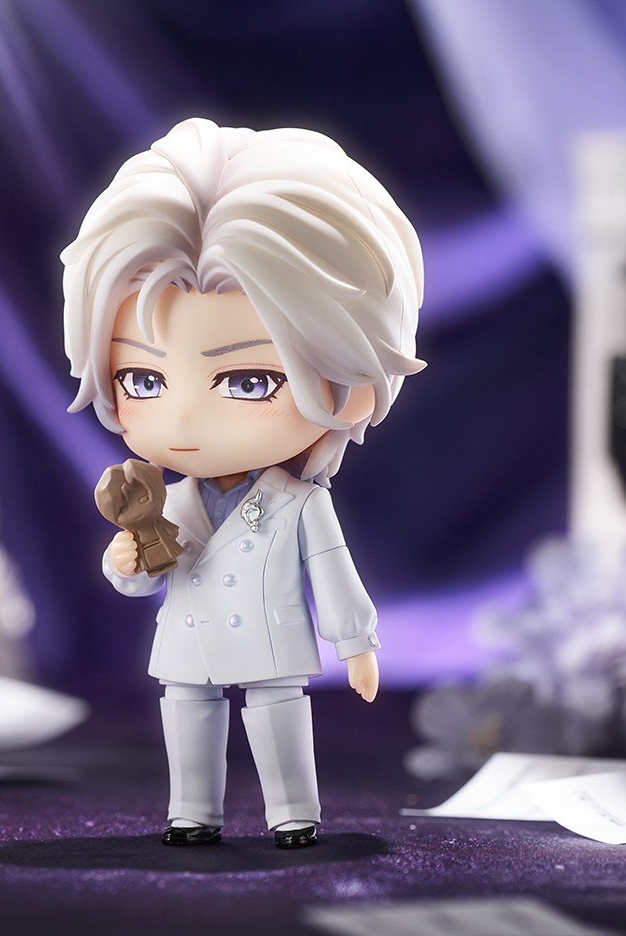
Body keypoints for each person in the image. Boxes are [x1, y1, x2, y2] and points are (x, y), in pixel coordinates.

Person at [62, 117, 424, 848]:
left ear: (351, 385)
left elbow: (333, 571)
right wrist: (127, 559)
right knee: (187, 714)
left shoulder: (300, 503)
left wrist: (356, 643)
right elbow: (143, 571)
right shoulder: (167, 499)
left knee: (277, 715)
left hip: (271, 640)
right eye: (143, 379)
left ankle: (293, 813)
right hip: (190, 640)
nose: (183, 420)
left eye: (249, 381)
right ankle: (192, 812)